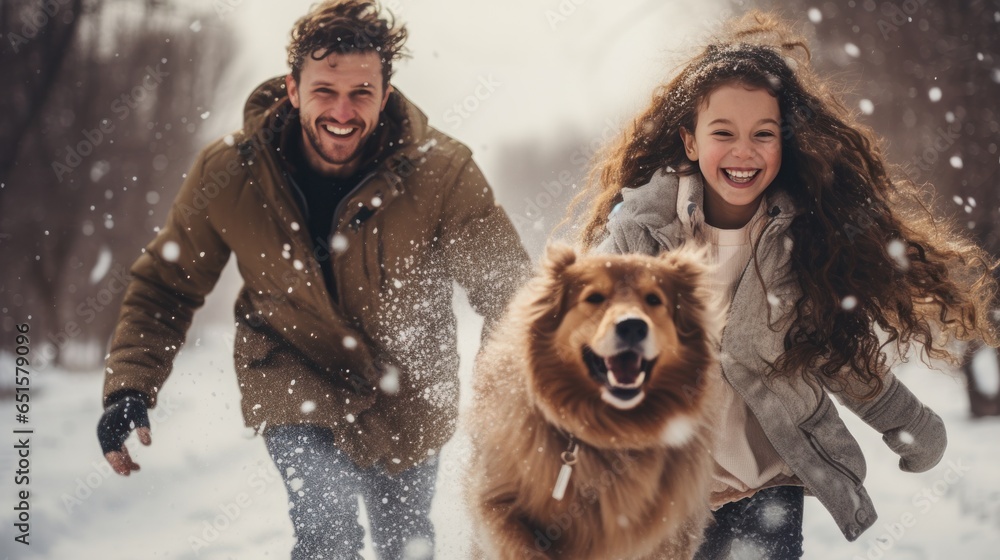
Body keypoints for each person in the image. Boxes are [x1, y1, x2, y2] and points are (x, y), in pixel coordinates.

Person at [95, 1, 530, 558]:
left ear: (386, 94)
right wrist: (130, 384)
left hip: (412, 391)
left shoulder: (442, 171)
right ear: (293, 89)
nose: (342, 112)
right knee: (326, 532)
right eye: (325, 90)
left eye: (361, 93)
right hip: (293, 371)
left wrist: (515, 398)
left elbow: (512, 294)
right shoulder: (231, 174)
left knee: (406, 543)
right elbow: (167, 284)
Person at [578, 11, 999, 559]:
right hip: (664, 483)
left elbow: (840, 355)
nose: (742, 151)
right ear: (689, 141)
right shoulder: (642, 233)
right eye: (722, 133)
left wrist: (909, 422)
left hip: (769, 484)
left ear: (785, 143)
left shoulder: (806, 243)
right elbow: (587, 326)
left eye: (763, 134)